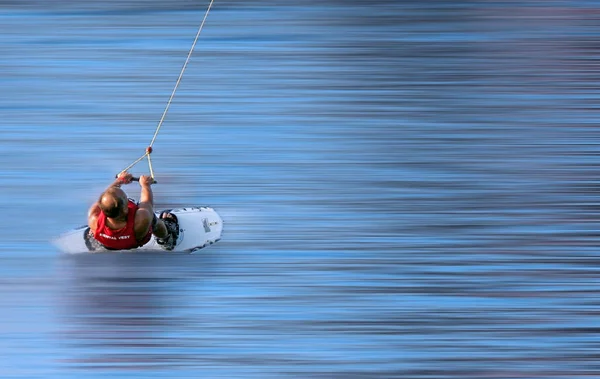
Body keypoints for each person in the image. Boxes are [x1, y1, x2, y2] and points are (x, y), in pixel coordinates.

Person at [87, 172, 179, 251]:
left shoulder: (93, 217)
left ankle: (97, 241)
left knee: (95, 228)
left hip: (108, 244)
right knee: (153, 219)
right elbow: (147, 204)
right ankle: (167, 239)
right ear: (125, 209)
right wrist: (145, 185)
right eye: (126, 198)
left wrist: (119, 181)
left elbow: (104, 197)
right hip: (133, 241)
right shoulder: (141, 219)